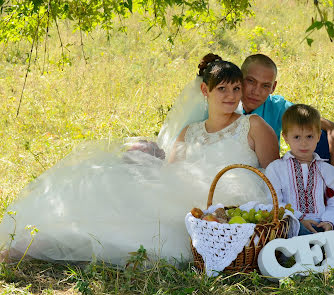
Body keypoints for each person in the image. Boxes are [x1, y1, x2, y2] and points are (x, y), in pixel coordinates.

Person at [0, 54, 279, 266]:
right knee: (109, 191)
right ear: (206, 91)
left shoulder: (253, 125)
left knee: (147, 236)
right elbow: (169, 173)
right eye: (222, 90)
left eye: (235, 90)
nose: (230, 97)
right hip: (185, 197)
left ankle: (45, 243)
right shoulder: (189, 132)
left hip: (228, 204)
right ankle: (35, 241)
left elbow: (276, 174)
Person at [240, 54, 334, 217]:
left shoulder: (276, 106)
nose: (256, 91)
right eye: (250, 81)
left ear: (273, 87)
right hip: (244, 176)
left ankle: (326, 211)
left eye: (265, 86)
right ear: (240, 78)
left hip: (277, 174)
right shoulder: (226, 103)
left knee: (314, 134)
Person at [265, 104, 334, 240]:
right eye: (297, 137)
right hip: (296, 227)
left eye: (309, 136)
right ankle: (325, 247)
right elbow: (274, 204)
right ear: (286, 137)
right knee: (291, 230)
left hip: (324, 227)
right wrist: (299, 219)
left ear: (318, 136)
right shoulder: (276, 169)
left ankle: (322, 245)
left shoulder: (329, 171)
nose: (303, 143)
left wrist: (329, 222)